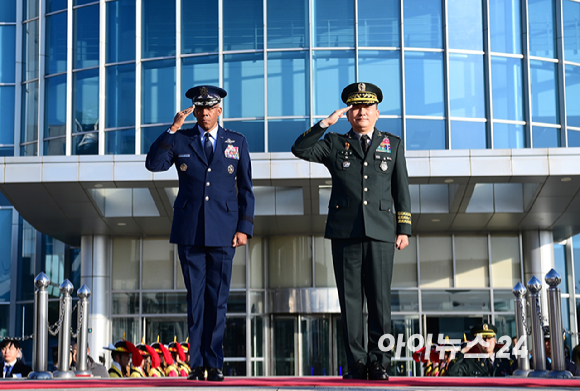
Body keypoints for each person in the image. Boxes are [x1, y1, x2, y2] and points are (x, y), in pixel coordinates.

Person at [292, 82, 412, 381]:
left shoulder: (392, 144)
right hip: (345, 232)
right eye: (356, 107)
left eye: (367, 107)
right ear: (348, 114)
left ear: (377, 113)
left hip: (382, 232)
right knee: (351, 301)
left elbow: (401, 189)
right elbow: (300, 149)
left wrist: (404, 228)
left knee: (380, 301)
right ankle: (357, 362)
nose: (362, 112)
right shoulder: (334, 142)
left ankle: (379, 362)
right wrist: (324, 123)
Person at [146, 85, 255, 382]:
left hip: (224, 232)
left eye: (210, 108)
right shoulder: (180, 139)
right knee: (195, 300)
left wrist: (244, 228)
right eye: (199, 108)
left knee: (218, 300)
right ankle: (196, 365)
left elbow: (245, 190)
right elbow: (154, 165)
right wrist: (171, 129)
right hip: (190, 231)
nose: (204, 113)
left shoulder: (237, 142)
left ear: (219, 110)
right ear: (193, 110)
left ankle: (215, 363)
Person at [447, 323, 512, 377]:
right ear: (477, 343)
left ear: (495, 341)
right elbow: (451, 373)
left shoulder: (505, 362)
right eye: (482, 339)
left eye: (489, 338)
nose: (486, 341)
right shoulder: (469, 362)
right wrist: (462, 352)